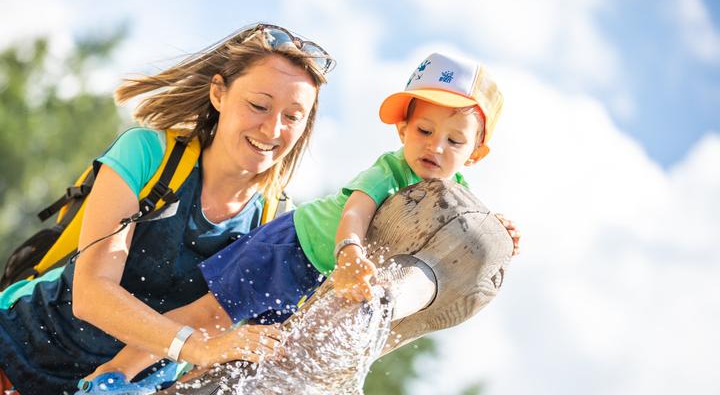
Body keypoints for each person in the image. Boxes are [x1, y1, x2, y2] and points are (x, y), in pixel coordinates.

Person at [83, 51, 522, 389]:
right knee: (213, 314)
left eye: (454, 140)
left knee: (262, 354)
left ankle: (167, 384)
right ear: (403, 129)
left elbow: (462, 228)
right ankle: (113, 374)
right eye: (425, 131)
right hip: (293, 245)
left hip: (319, 278)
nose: (436, 148)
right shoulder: (389, 169)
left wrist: (498, 227)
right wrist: (349, 252)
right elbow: (357, 210)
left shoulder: (454, 191)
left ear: (475, 153)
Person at [0, 23, 334, 395]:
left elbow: (228, 333)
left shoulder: (275, 223)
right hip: (18, 349)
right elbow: (91, 293)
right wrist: (198, 348)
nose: (272, 129)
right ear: (219, 93)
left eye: (293, 117)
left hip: (119, 386)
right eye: (259, 105)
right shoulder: (147, 153)